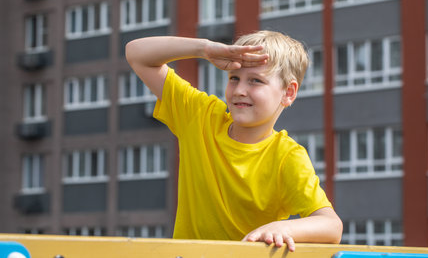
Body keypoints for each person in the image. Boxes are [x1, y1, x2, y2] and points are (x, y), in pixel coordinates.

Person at [125, 30, 342, 252]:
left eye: (256, 81)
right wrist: (205, 48)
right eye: (234, 78)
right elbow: (136, 54)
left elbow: (331, 226)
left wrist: (282, 228)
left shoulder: (286, 157)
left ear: (288, 92)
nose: (239, 90)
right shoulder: (201, 117)